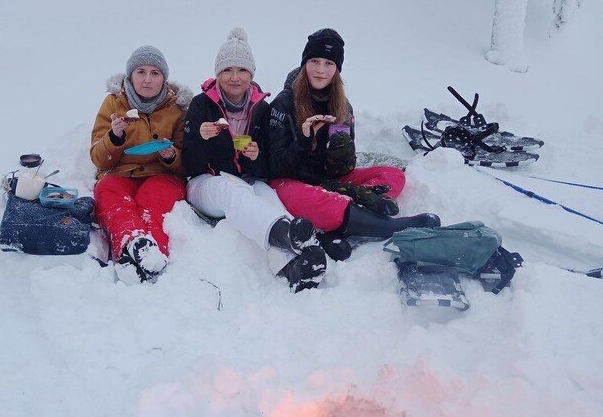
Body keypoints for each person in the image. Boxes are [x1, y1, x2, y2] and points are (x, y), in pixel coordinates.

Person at [268, 28, 440, 256]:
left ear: (337, 69)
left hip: (328, 181)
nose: (320, 70)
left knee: (394, 175)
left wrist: (342, 150)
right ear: (304, 64)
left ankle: (349, 215)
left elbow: (342, 170)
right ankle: (386, 226)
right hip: (290, 182)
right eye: (314, 61)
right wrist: (304, 140)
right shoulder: (283, 104)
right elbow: (274, 165)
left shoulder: (342, 106)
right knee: (307, 197)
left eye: (329, 63)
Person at [182, 28, 327, 292]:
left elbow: (266, 169)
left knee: (267, 196)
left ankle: (292, 266)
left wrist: (256, 156)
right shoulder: (201, 105)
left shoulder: (262, 109)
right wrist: (200, 140)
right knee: (233, 193)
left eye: (242, 70)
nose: (234, 78)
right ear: (217, 74)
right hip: (206, 183)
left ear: (252, 74)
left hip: (247, 179)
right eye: (227, 70)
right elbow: (189, 166)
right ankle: (285, 232)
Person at [90, 45, 192, 283]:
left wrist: (171, 155)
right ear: (130, 76)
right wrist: (114, 137)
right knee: (110, 195)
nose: (147, 80)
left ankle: (153, 254)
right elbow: (97, 157)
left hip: (161, 175)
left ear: (164, 78)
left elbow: (187, 161)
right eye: (141, 72)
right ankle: (130, 244)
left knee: (151, 203)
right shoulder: (114, 103)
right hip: (121, 173)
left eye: (155, 73)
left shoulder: (178, 108)